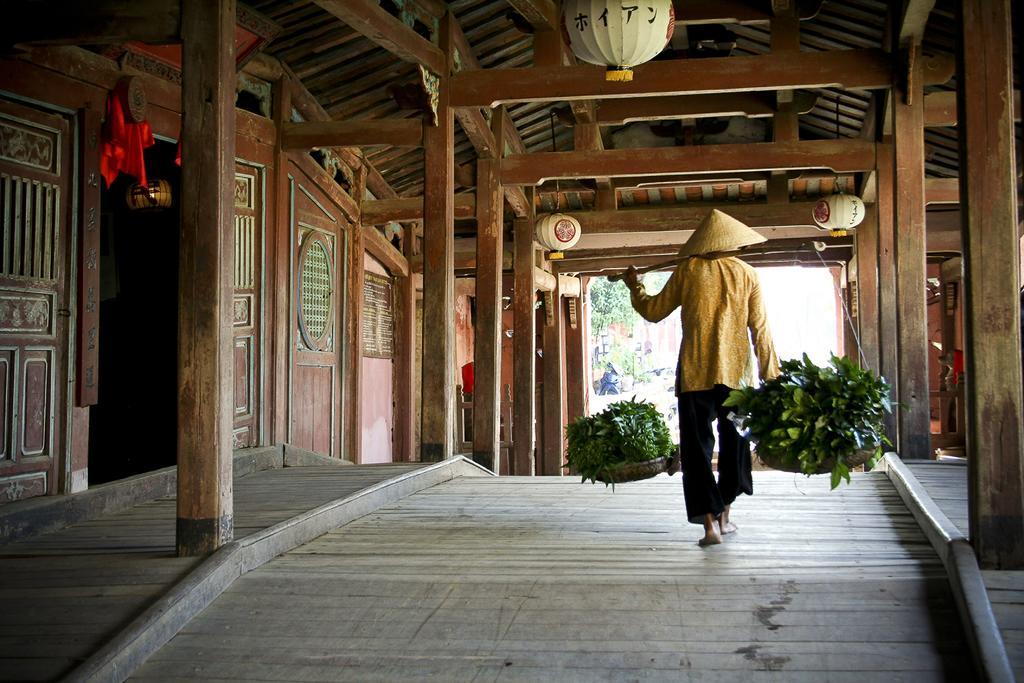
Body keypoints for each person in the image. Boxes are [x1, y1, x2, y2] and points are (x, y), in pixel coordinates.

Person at [622, 209, 780, 547]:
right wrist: (772, 375)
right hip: (737, 380)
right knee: (736, 444)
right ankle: (725, 514)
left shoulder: (688, 270)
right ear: (734, 242)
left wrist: (636, 286)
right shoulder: (748, 274)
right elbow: (760, 330)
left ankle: (709, 526)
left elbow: (653, 311)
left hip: (695, 377)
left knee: (696, 451)